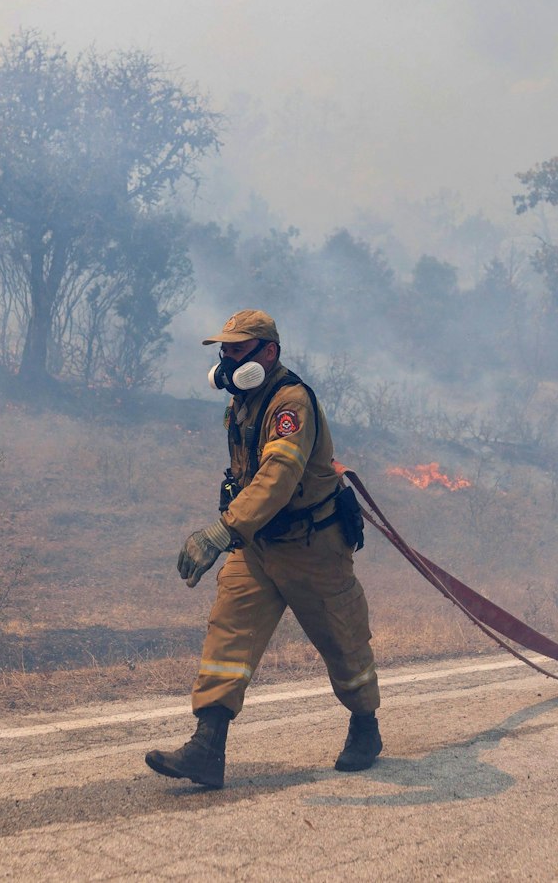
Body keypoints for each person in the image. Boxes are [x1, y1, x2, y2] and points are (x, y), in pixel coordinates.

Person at [144, 309, 380, 789]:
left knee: (343, 643)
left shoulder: (291, 404)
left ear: (267, 353)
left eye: (235, 350)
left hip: (311, 547)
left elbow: (277, 479)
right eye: (223, 351)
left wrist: (221, 529)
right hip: (257, 546)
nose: (227, 360)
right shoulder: (242, 403)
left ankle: (365, 727)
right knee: (227, 637)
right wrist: (236, 521)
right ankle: (207, 749)